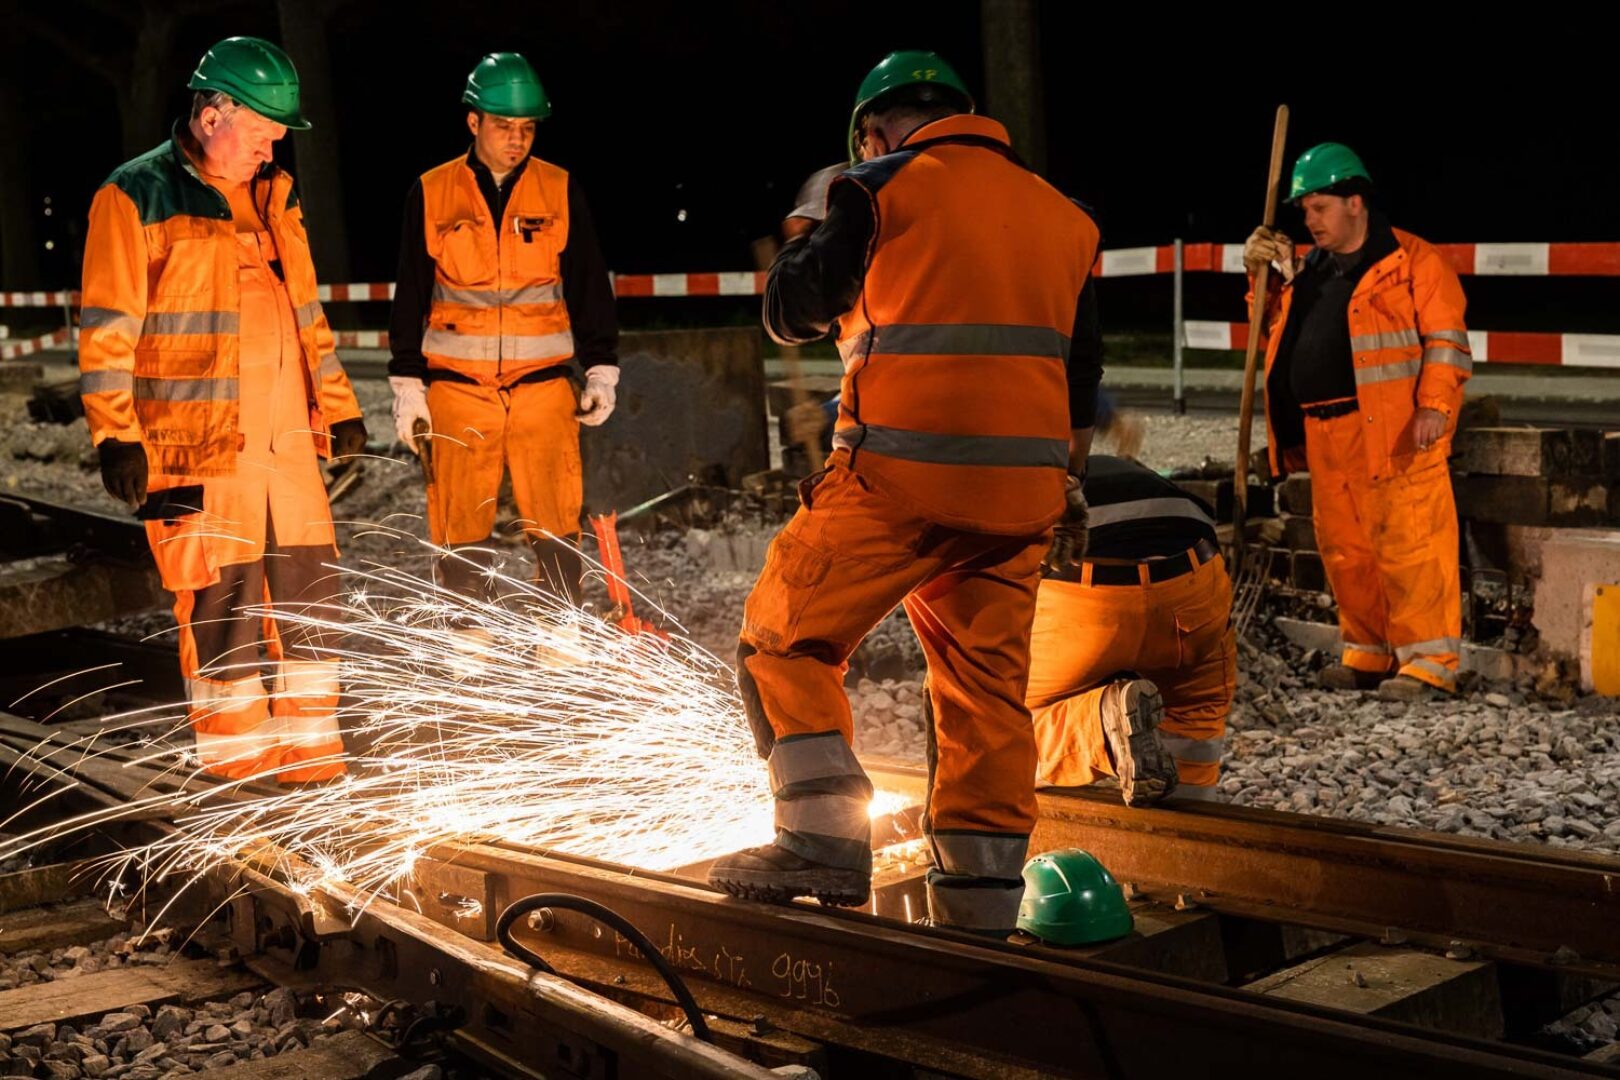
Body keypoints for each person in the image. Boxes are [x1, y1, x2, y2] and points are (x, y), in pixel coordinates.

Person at [707, 51, 1102, 937]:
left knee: (783, 638)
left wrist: (821, 221)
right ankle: (983, 902)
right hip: (1024, 500)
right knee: (984, 690)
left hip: (898, 483)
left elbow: (792, 312)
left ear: (874, 131)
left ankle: (817, 842)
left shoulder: (879, 187)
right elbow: (1081, 376)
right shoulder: (1065, 217)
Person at [79, 37, 367, 782]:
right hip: (194, 453)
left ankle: (313, 766)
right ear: (214, 114)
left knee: (311, 604)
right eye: (266, 127)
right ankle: (239, 777)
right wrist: (116, 434)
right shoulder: (135, 195)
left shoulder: (276, 197)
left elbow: (304, 313)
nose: (275, 144)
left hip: (287, 453)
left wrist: (338, 408)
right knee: (222, 612)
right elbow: (108, 326)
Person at [388, 52, 618, 607]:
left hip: (542, 387)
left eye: (527, 128)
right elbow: (411, 292)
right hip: (457, 389)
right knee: (459, 522)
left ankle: (561, 630)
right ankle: (468, 638)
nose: (517, 139)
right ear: (474, 122)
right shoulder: (432, 190)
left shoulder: (559, 189)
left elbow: (588, 283)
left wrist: (601, 368)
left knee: (558, 516)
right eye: (504, 126)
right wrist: (407, 386)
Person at [1244, 143, 1469, 702]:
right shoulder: (1309, 273)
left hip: (1394, 431)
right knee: (1347, 548)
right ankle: (1369, 651)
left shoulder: (1413, 262)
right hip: (1326, 431)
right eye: (1304, 210)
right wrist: (1260, 276)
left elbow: (1447, 343)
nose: (1308, 220)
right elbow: (1268, 329)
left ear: (1355, 202)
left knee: (1410, 542)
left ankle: (1429, 662)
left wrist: (1433, 408)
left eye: (1318, 207)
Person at [1025, 455, 1233, 805]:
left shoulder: (1028, 483)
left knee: (998, 721)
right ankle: (1189, 823)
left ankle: (1105, 727)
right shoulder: (1126, 469)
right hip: (1193, 589)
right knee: (1197, 710)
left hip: (1085, 603)